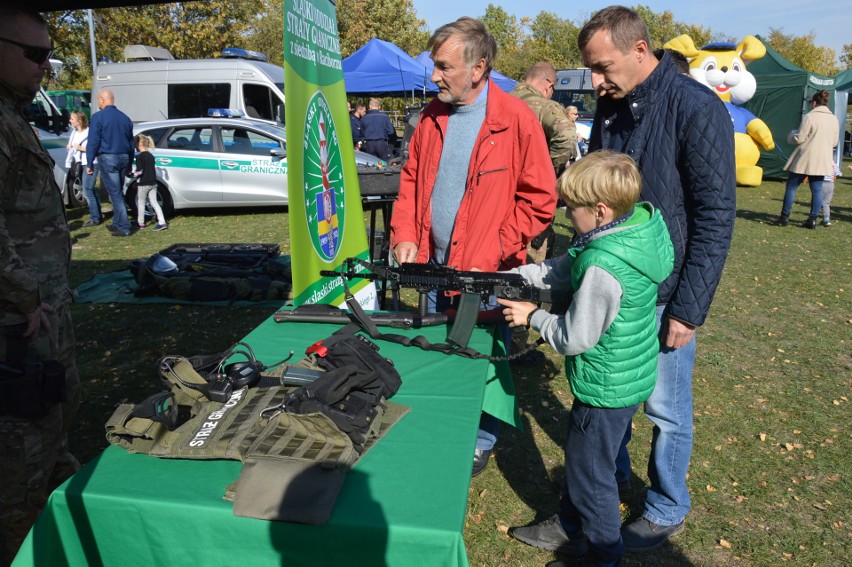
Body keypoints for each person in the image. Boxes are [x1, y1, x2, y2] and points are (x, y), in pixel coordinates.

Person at [510, 6, 735, 554]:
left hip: (664, 291)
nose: (595, 80)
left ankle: (665, 505)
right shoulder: (612, 103)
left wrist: (689, 307)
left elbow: (714, 212)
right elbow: (597, 194)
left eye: (603, 66)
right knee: (615, 403)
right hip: (611, 279)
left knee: (665, 407)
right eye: (591, 68)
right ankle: (594, 500)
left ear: (640, 51)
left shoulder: (695, 107)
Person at [390, 17, 556, 477]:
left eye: (443, 66)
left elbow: (540, 200)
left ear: (478, 67)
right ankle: (438, 417)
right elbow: (411, 183)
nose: (434, 75)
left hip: (487, 272)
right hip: (433, 264)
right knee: (435, 344)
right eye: (434, 65)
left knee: (483, 354)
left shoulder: (517, 120)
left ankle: (481, 437)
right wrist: (406, 234)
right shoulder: (430, 116)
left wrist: (496, 246)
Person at [506, 150, 674, 567]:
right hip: (623, 377)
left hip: (604, 388)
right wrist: (510, 277)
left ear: (599, 211)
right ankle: (570, 527)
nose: (566, 215)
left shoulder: (603, 265)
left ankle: (603, 554)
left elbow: (574, 337)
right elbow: (565, 266)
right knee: (590, 465)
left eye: (571, 209)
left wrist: (533, 316)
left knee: (589, 477)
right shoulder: (630, 233)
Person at [0, 7, 81, 564]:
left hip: (40, 324)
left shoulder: (12, 114)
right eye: (32, 54)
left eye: (47, 54)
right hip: (15, 333)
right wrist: (25, 295)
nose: (44, 66)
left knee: (52, 454)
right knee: (19, 487)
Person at [511, 61, 573, 265]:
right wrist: (549, 168)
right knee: (530, 264)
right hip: (532, 198)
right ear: (549, 84)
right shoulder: (546, 107)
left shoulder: (497, 101)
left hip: (496, 194)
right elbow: (566, 135)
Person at [771, 90, 839, 229]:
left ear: (814, 103)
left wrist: (791, 134)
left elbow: (800, 138)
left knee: (791, 187)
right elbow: (835, 142)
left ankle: (784, 216)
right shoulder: (834, 119)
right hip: (822, 159)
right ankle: (812, 219)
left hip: (806, 157)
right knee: (817, 190)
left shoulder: (810, 117)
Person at [86, 88, 134, 237]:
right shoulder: (125, 118)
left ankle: (124, 227)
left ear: (102, 99)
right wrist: (130, 163)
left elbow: (93, 141)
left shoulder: (98, 117)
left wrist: (89, 162)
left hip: (108, 157)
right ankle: (117, 222)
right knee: (118, 190)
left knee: (115, 193)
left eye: (98, 100)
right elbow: (131, 143)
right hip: (124, 157)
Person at [66, 110, 103, 226]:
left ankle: (95, 218)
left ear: (79, 120)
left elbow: (96, 148)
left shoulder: (89, 132)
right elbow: (73, 146)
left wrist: (82, 148)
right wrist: (70, 147)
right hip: (80, 163)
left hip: (90, 163)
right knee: (89, 189)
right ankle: (97, 214)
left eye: (72, 119)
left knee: (87, 191)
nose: (70, 121)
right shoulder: (74, 133)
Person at [132, 134, 167, 231]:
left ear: (138, 144)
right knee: (154, 202)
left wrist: (132, 175)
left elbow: (140, 171)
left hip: (144, 184)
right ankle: (162, 222)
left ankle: (140, 223)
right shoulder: (151, 156)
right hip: (153, 182)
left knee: (141, 203)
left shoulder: (140, 157)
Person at [820, 160, 841, 227]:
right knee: (826, 202)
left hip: (822, 182)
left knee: (818, 201)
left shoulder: (822, 161)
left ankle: (813, 217)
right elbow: (838, 174)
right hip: (831, 184)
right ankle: (826, 219)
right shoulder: (834, 163)